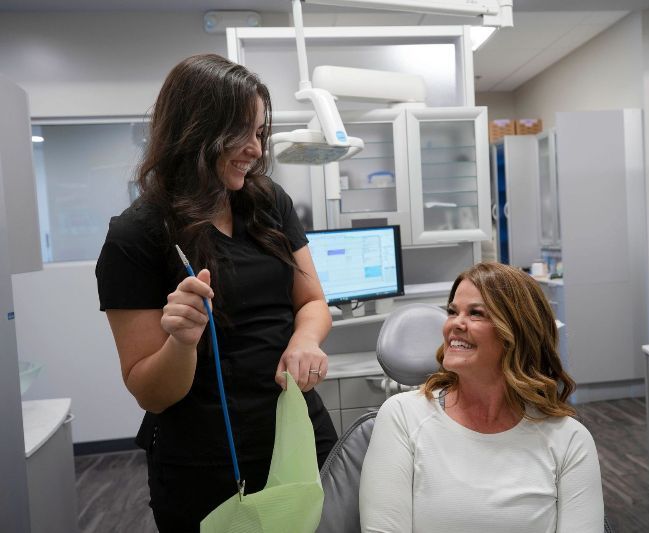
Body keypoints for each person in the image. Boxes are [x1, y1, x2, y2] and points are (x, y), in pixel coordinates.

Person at [95, 53, 337, 532]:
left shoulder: (268, 202)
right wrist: (182, 340)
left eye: (260, 132)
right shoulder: (137, 235)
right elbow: (152, 392)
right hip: (207, 462)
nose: (255, 148)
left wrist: (303, 341)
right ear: (195, 129)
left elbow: (311, 303)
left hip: (297, 432)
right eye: (240, 132)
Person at [360, 262, 604, 532]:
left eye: (476, 314)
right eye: (452, 312)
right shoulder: (403, 417)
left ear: (516, 333)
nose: (455, 324)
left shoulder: (568, 440)